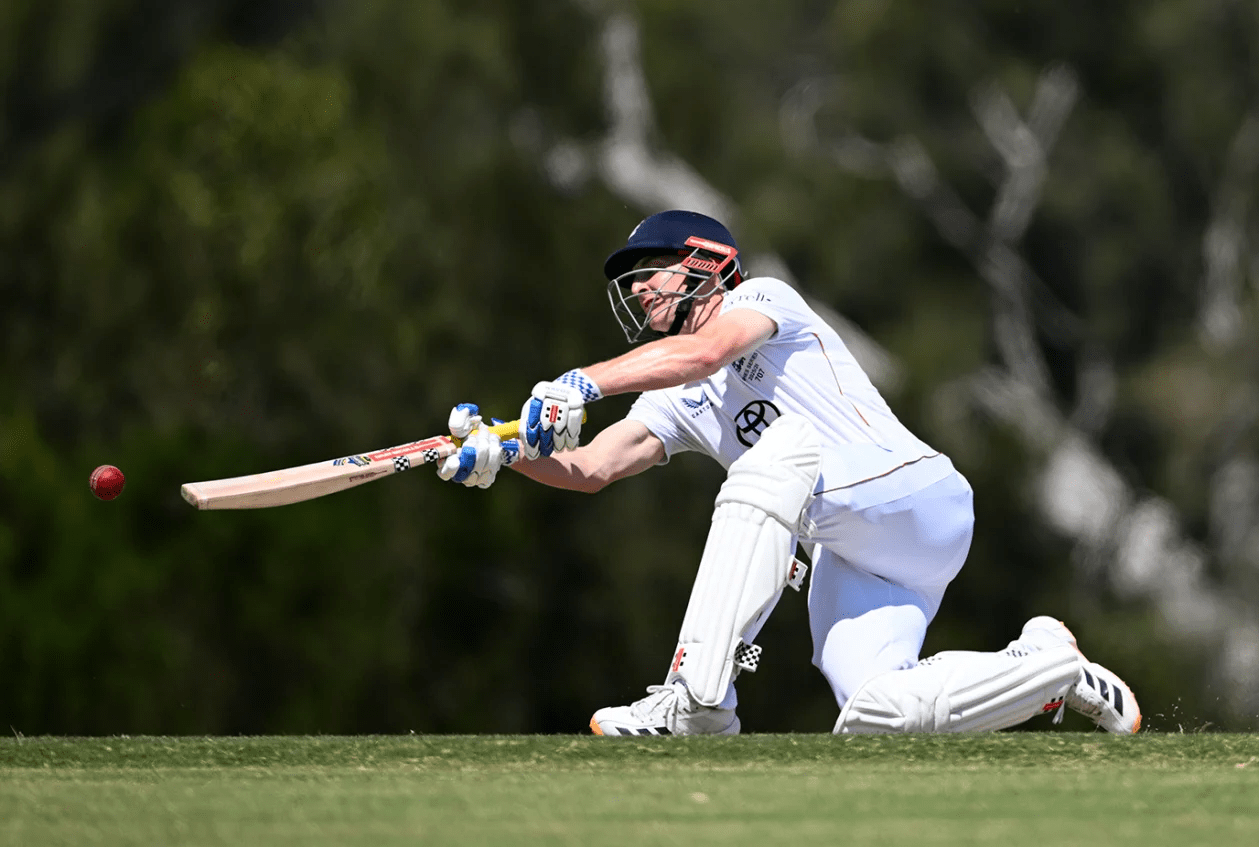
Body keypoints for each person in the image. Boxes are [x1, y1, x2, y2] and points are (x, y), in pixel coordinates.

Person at [438, 209, 1141, 736]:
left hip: (913, 496)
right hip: (854, 549)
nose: (641, 288)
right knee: (876, 714)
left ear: (705, 262)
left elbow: (704, 354)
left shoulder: (760, 299)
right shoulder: (675, 395)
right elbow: (594, 465)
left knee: (778, 453)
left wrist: (582, 382)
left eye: (652, 267)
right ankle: (1047, 665)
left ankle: (697, 702)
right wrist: (510, 455)